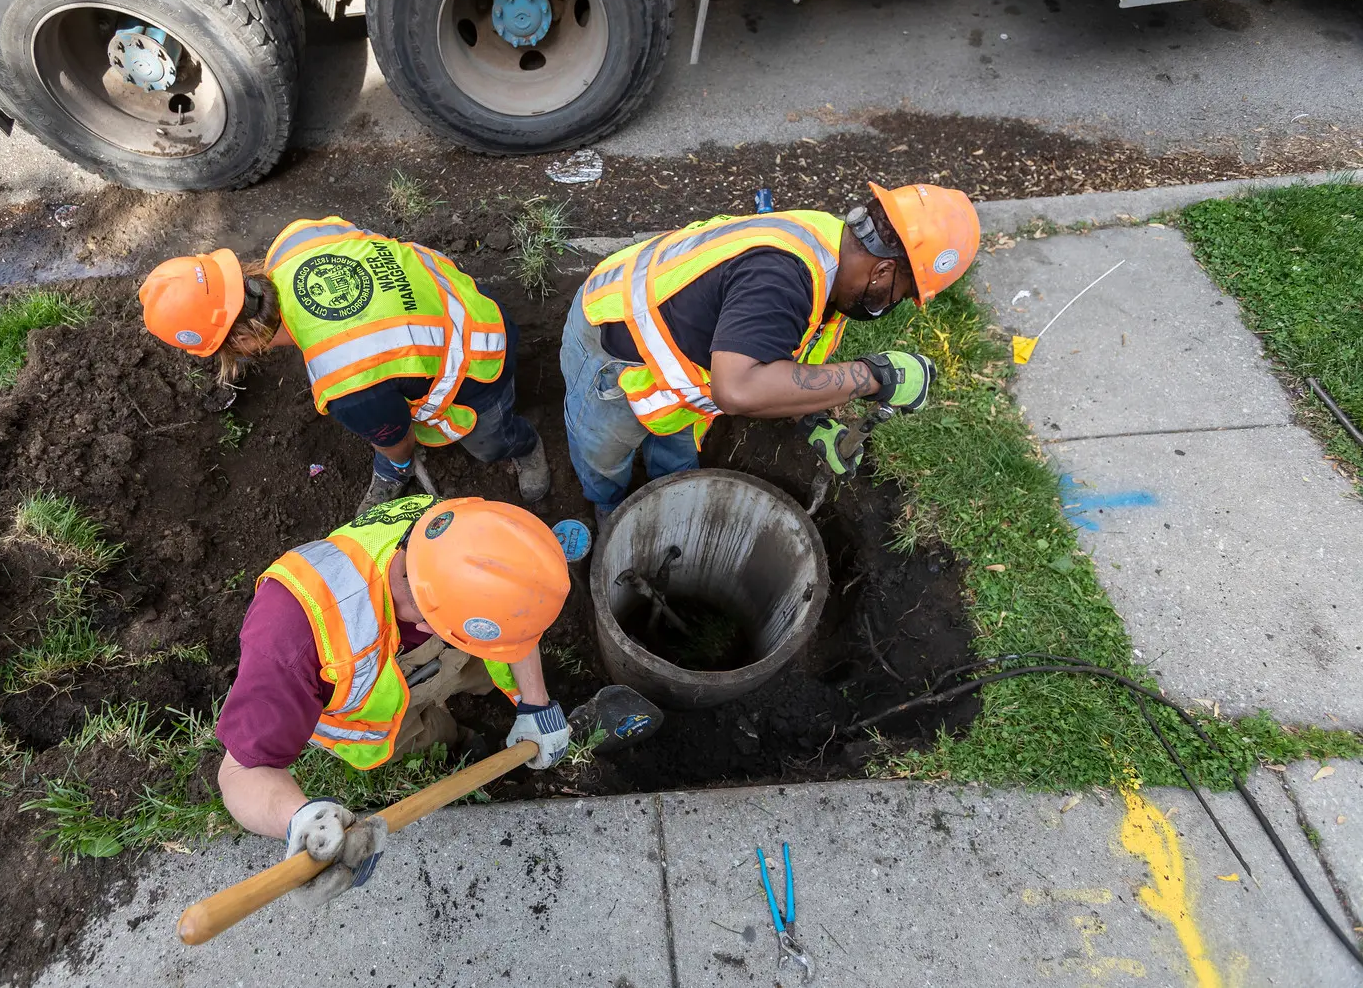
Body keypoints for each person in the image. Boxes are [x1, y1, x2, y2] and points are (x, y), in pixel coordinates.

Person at [214, 493, 572, 902]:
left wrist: (536, 704)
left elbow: (515, 616)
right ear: (430, 620)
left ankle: (465, 688)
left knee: (474, 673)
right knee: (424, 734)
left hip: (438, 652)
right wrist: (303, 821)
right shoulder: (293, 634)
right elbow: (240, 773)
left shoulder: (457, 530)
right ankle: (449, 737)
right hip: (373, 710)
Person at [561, 182, 980, 519]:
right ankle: (611, 510)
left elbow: (778, 356)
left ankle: (670, 500)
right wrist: (873, 377)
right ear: (883, 270)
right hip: (613, 349)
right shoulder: (781, 277)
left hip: (681, 372)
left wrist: (812, 418)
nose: (890, 305)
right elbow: (738, 390)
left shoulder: (832, 258)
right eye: (899, 295)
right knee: (604, 457)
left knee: (676, 453)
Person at [139, 218, 550, 515]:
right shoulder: (297, 239)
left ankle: (527, 446)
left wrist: (398, 461)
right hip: (458, 295)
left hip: (481, 359)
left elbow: (398, 437)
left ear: (243, 341)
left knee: (489, 442)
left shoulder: (347, 382)